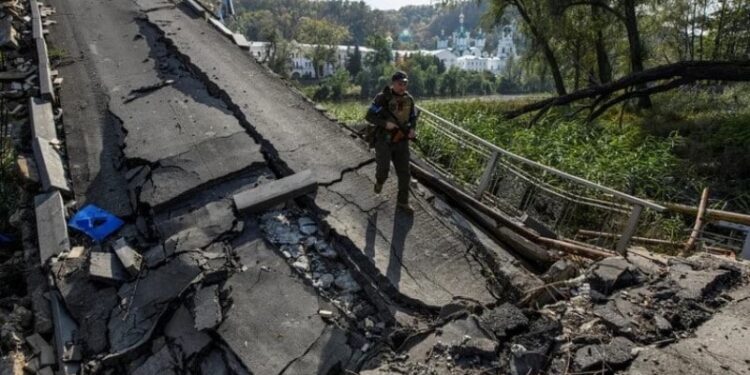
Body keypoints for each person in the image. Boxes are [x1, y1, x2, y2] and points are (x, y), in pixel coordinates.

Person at [365, 71, 418, 214]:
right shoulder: (382, 98)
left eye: (405, 84)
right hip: (384, 140)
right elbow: (369, 116)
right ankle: (379, 182)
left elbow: (413, 117)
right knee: (383, 170)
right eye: (400, 84)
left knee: (405, 173)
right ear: (393, 83)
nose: (403, 86)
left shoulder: (409, 99)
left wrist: (412, 129)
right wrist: (385, 123)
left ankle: (403, 202)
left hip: (401, 140)